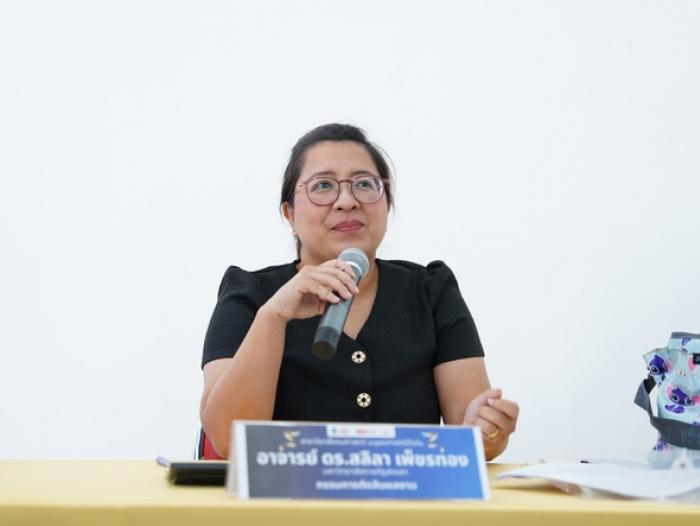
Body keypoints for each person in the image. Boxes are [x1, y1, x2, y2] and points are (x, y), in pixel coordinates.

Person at [200, 123, 519, 459]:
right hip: (286, 492)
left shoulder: (431, 291)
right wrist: (273, 317)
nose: (347, 201)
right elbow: (230, 441)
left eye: (365, 184)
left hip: (405, 491)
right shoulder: (249, 295)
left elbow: (473, 438)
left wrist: (487, 433)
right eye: (323, 186)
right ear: (289, 214)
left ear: (387, 206)